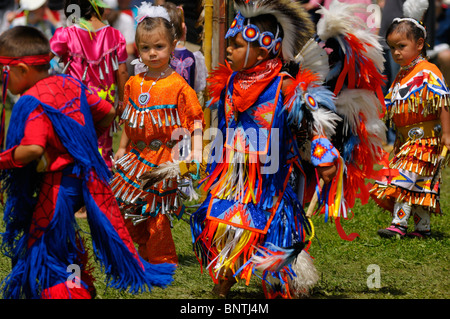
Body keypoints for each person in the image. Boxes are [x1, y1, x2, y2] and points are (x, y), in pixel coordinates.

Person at [0, 26, 175, 299]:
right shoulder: (70, 83)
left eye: (4, 71)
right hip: (85, 179)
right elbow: (106, 113)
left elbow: (33, 148)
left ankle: (72, 293)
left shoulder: (32, 100)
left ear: (22, 69)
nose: (3, 78)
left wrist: (4, 159)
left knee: (42, 246)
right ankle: (82, 286)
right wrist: (81, 143)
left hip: (57, 187)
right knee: (62, 239)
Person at [110, 2, 204, 266]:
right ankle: (137, 252)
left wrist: (195, 151)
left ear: (173, 46)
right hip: (136, 155)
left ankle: (162, 259)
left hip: (163, 157)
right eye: (146, 48)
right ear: (138, 50)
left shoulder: (178, 86)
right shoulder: (133, 82)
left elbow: (195, 120)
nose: (152, 53)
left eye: (159, 47)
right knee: (130, 205)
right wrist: (122, 147)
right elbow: (130, 117)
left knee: (157, 210)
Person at [370, 0, 450, 238]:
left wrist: (447, 134)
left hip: (425, 141)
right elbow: (390, 104)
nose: (396, 52)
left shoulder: (428, 71)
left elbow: (444, 102)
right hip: (407, 142)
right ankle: (422, 229)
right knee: (420, 183)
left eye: (401, 46)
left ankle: (399, 224)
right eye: (392, 47)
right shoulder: (402, 76)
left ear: (419, 44)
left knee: (403, 179)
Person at [50, 0, 129, 171]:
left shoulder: (65, 34)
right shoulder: (115, 35)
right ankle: (101, 180)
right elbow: (122, 72)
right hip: (105, 106)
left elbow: (44, 60)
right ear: (98, 6)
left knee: (74, 142)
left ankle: (76, 176)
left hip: (75, 104)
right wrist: (122, 102)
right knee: (102, 144)